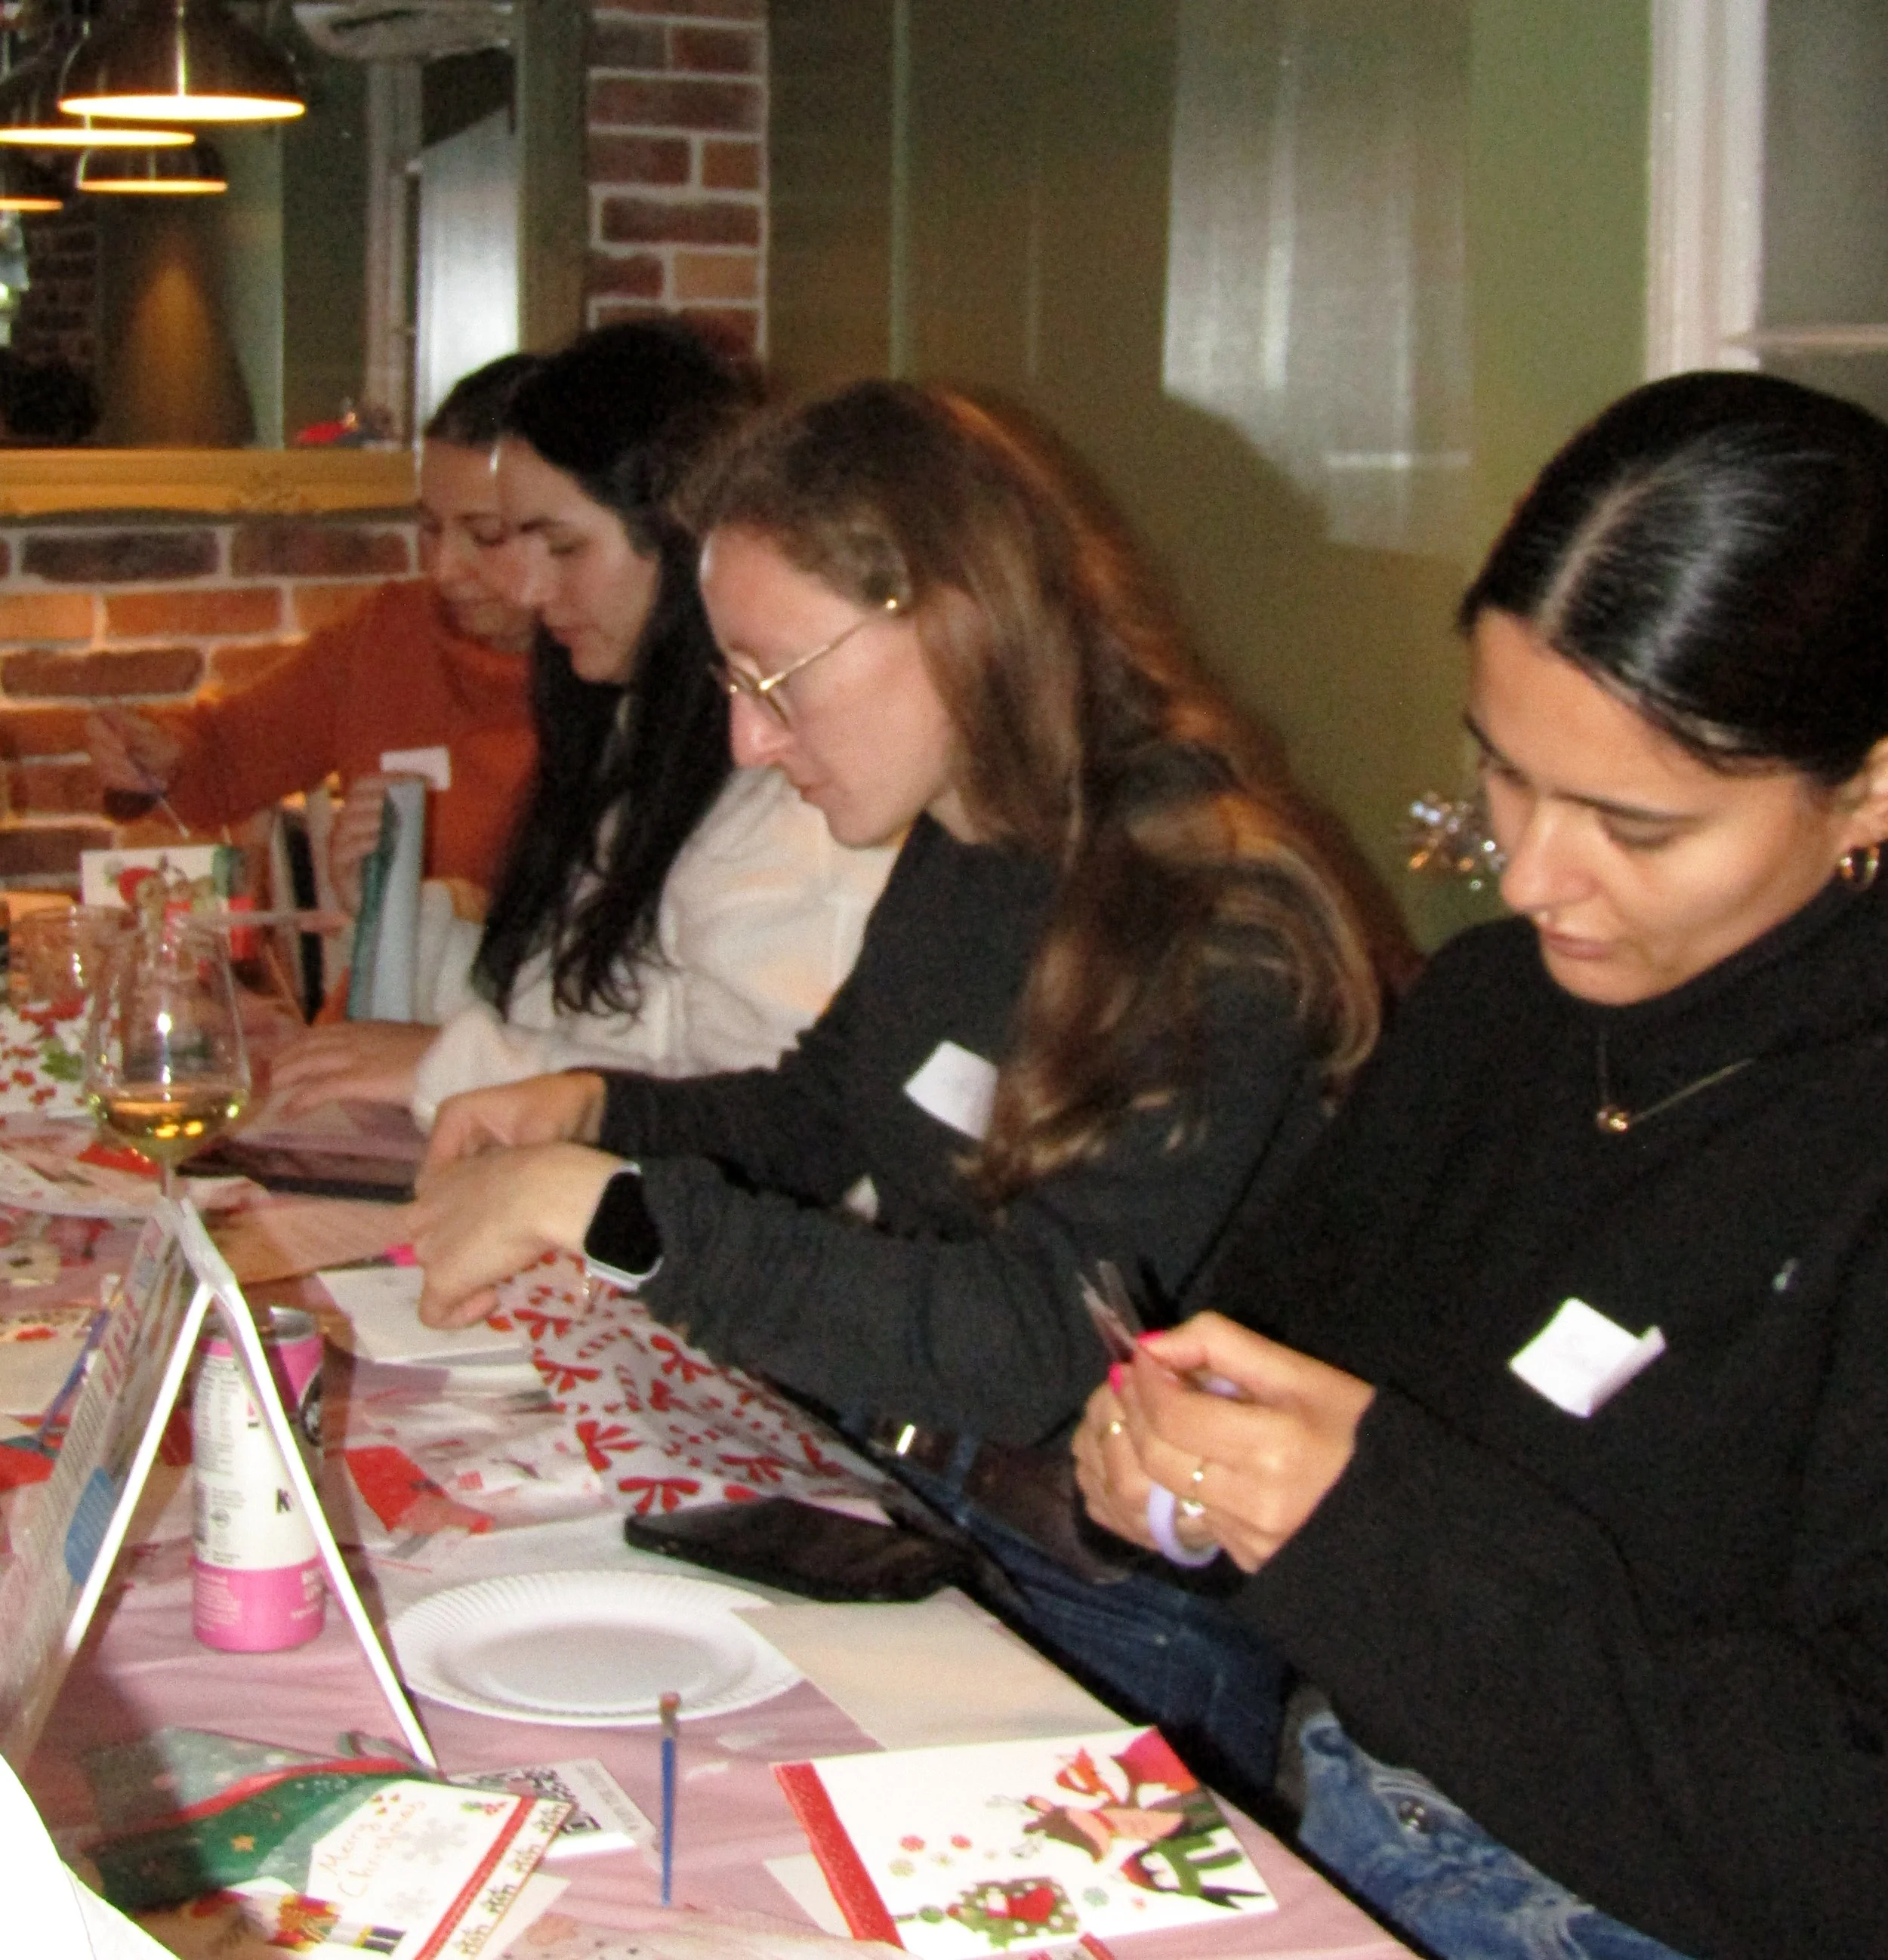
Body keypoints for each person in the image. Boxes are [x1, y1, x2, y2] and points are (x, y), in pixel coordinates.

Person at [403, 379, 1383, 1791]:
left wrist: (606, 1206)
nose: (745, 740)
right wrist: (593, 1111)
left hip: (1119, 1605)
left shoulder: (1208, 916)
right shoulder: (969, 831)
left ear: (953, 620)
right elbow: (821, 1110)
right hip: (913, 1498)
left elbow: (1039, 1341)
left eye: (774, 679)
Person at [1073, 371, 1888, 1960]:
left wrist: (1362, 1535)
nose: (1524, 873)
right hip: (1345, 1824)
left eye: (1633, 827)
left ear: (1865, 783)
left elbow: (1838, 1839)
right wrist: (1174, 1480)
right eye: (1499, 773)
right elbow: (1264, 1353)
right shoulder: (1495, 1015)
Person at [269, 322, 893, 1123]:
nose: (525, 590)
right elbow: (573, 1009)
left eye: (560, 549)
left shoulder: (791, 789)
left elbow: (754, 1115)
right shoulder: (635, 732)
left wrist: (449, 1065)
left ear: (677, 537)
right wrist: (401, 916)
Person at [86, 353, 542, 911]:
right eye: (428, 527)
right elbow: (228, 755)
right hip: (385, 998)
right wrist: (162, 754)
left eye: (487, 535)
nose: (445, 567)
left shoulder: (618, 678)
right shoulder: (392, 632)